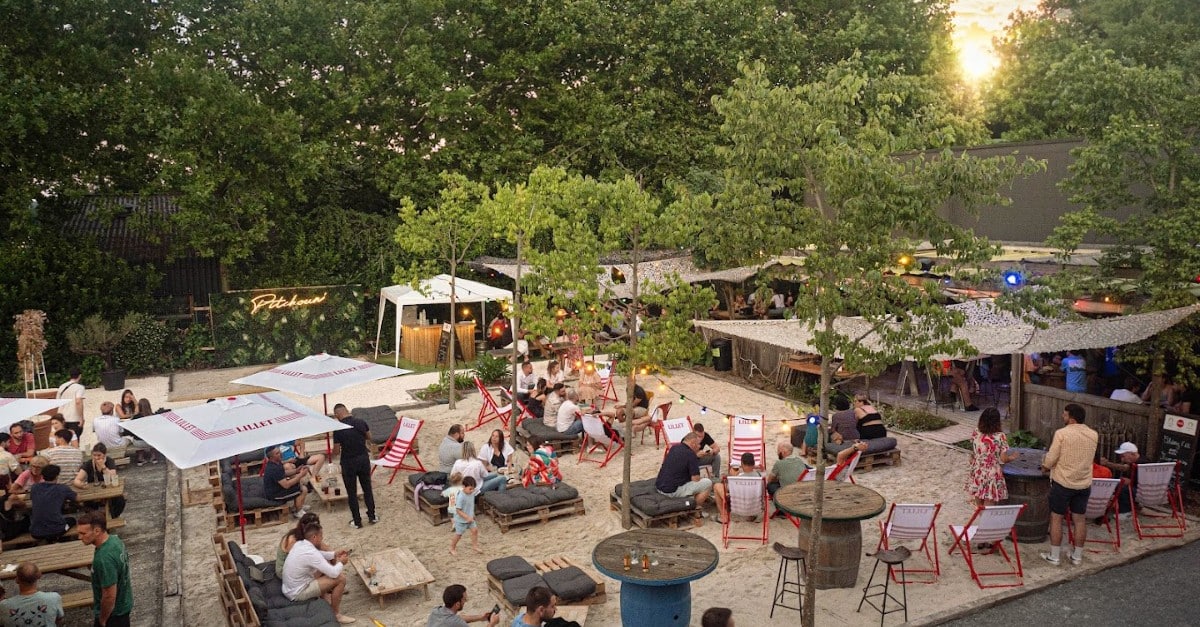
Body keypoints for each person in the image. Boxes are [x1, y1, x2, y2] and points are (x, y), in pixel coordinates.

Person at [1040, 403, 1098, 566]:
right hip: (1083, 483)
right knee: (1080, 519)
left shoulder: (1062, 434)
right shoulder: (1093, 434)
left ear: (1071, 419)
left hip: (1063, 482)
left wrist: (1045, 467)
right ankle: (1077, 556)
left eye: (1064, 415)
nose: (1062, 417)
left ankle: (1055, 555)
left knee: (1056, 517)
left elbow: (1051, 458)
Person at [280, 522, 355, 624]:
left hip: (289, 588)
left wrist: (334, 554)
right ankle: (336, 614)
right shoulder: (311, 553)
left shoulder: (300, 544)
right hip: (297, 592)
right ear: (314, 537)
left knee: (324, 568)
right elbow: (334, 573)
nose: (322, 538)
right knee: (340, 579)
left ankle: (326, 598)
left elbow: (320, 554)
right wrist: (342, 563)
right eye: (321, 536)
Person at [77, 511, 133, 627]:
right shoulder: (115, 540)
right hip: (124, 603)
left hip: (114, 615)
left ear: (97, 531)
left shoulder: (103, 559)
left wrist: (102, 619)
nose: (79, 537)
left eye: (83, 533)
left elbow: (109, 596)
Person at [655, 432, 724, 525]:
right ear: (693, 443)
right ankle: (695, 507)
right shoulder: (690, 455)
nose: (699, 446)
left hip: (660, 487)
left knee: (699, 482)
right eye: (698, 444)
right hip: (672, 491)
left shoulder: (674, 448)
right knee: (707, 483)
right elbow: (695, 479)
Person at [331, 404, 377, 529]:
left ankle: (357, 521)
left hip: (348, 462)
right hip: (363, 458)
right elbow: (369, 437)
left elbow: (336, 451)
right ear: (347, 410)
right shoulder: (361, 422)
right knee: (367, 488)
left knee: (352, 492)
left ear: (337, 415)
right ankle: (372, 516)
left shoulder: (338, 429)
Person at [965, 408, 1019, 507]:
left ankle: (981, 520)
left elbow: (974, 452)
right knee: (989, 502)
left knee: (979, 503)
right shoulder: (1000, 436)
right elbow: (1003, 459)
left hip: (978, 470)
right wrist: (1012, 457)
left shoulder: (976, 432)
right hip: (992, 473)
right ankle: (986, 522)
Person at [71, 444, 126, 519]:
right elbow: (77, 480)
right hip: (94, 490)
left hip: (108, 489)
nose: (96, 458)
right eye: (94, 455)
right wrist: (81, 485)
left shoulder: (109, 461)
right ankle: (95, 518)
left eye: (99, 455)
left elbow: (113, 477)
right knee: (87, 502)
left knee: (120, 500)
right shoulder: (90, 463)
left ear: (104, 454)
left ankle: (113, 516)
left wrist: (103, 467)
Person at [0, 561, 64, 626]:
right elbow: (59, 620)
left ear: (17, 580)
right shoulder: (54, 598)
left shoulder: (4, 606)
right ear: (39, 576)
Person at [1099, 441, 1148, 517]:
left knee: (1122, 487)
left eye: (1123, 456)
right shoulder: (1144, 460)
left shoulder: (1138, 465)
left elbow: (1137, 482)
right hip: (1153, 492)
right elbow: (1125, 468)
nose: (1122, 459)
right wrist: (1108, 464)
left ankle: (1126, 512)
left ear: (1132, 454)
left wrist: (1128, 482)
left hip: (1142, 492)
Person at [29, 465, 76, 543]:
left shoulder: (35, 488)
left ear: (42, 476)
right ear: (57, 476)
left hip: (35, 531)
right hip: (57, 530)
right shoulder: (62, 488)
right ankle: (63, 541)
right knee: (72, 520)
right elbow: (76, 498)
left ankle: (51, 540)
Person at [262, 445, 309, 519]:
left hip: (278, 487)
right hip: (275, 494)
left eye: (279, 451)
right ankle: (298, 511)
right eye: (277, 453)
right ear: (271, 457)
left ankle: (297, 506)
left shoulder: (277, 462)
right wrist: (300, 475)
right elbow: (286, 485)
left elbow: (283, 473)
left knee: (298, 484)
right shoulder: (273, 469)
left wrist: (296, 471)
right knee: (303, 489)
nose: (280, 453)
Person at [427, 584, 499, 627]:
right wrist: (492, 623)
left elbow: (457, 618)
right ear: (457, 604)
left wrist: (480, 617)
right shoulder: (456, 622)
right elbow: (456, 621)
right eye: (464, 599)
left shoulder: (436, 610)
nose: (465, 601)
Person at [450, 477, 482, 556]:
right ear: (464, 486)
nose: (472, 491)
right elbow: (458, 510)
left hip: (470, 518)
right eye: (470, 489)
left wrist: (472, 514)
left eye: (473, 489)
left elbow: (470, 505)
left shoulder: (471, 494)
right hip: (461, 520)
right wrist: (467, 517)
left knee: (475, 531)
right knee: (458, 535)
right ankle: (452, 548)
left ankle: (475, 546)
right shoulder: (461, 497)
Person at [55, 368, 86, 438]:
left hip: (61, 417)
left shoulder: (62, 386)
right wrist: (81, 418)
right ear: (80, 376)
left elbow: (57, 402)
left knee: (63, 440)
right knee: (74, 440)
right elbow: (78, 402)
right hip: (73, 418)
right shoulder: (79, 388)